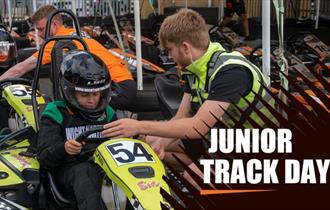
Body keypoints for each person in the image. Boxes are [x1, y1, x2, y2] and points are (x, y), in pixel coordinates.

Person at [101, 9, 276, 187]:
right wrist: (158, 142)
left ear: (185, 47)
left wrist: (138, 125)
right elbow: (181, 118)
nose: (169, 57)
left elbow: (197, 127)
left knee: (194, 177)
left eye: (170, 50)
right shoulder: (195, 69)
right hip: (225, 140)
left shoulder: (231, 71)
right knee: (149, 144)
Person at [0, 4, 136, 110]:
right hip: (122, 84)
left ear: (54, 24)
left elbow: (21, 68)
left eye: (41, 29)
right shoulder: (75, 32)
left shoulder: (58, 41)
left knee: (70, 109)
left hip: (116, 88)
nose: (39, 34)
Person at [37, 50, 116, 210]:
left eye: (95, 93)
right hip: (68, 171)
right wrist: (64, 148)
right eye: (84, 94)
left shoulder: (108, 112)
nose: (92, 100)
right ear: (70, 91)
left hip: (104, 169)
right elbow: (44, 157)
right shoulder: (55, 112)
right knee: (85, 171)